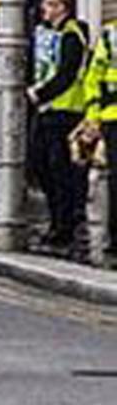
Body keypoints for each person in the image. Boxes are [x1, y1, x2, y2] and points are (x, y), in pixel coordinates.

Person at [27, 0, 91, 249]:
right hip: (47, 110)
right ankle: (57, 221)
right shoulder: (46, 33)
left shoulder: (72, 35)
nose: (45, 8)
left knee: (60, 171)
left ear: (63, 7)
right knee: (41, 166)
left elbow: (67, 74)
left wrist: (39, 94)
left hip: (66, 111)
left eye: (51, 4)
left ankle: (64, 226)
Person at [86, 16, 117, 257]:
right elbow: (94, 79)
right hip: (112, 117)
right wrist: (93, 116)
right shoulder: (109, 35)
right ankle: (114, 238)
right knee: (115, 181)